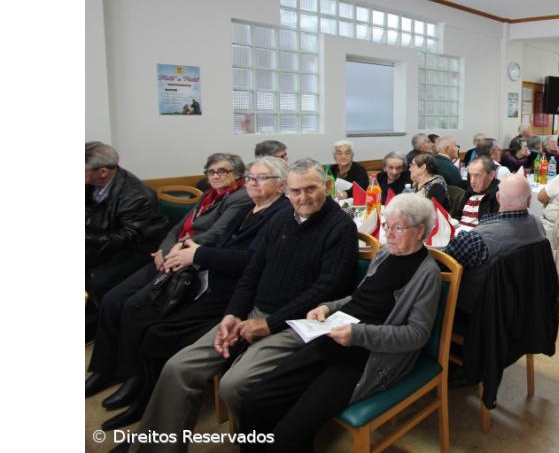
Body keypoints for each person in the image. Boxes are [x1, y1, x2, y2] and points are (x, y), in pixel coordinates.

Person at [133, 159, 358, 451]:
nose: (303, 197)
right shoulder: (280, 218)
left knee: (234, 385)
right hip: (252, 314)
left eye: (311, 189)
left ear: (327, 187)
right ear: (286, 191)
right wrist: (232, 314)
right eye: (295, 191)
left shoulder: (340, 227)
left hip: (296, 323)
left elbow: (326, 289)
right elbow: (252, 273)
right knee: (178, 368)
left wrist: (268, 324)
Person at [93, 157, 292, 430]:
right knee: (142, 318)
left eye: (261, 178)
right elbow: (217, 241)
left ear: (281, 185)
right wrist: (186, 251)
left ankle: (147, 406)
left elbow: (251, 261)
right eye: (250, 177)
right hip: (210, 282)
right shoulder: (249, 207)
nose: (252, 183)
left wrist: (196, 255)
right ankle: (140, 394)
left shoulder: (280, 214)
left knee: (157, 332)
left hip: (233, 295)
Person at [237, 194, 442, 452]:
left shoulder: (428, 274)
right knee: (254, 402)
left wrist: (358, 334)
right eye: (386, 226)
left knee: (288, 436)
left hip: (368, 358)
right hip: (334, 336)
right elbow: (358, 298)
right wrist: (328, 307)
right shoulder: (384, 254)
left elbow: (417, 334)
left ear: (420, 230)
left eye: (398, 228)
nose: (388, 234)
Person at [90, 152, 252, 397]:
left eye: (222, 171)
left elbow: (215, 234)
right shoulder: (209, 195)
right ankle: (103, 369)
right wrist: (165, 250)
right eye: (211, 171)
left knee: (133, 306)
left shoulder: (240, 197)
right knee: (113, 299)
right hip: (171, 255)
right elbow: (177, 227)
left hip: (190, 261)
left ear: (237, 174)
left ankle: (131, 375)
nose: (215, 176)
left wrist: (177, 250)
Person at [86, 142, 170, 344]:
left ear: (103, 172)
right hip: (106, 239)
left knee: (100, 279)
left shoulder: (136, 194)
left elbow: (127, 237)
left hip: (139, 247)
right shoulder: (90, 184)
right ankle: (93, 321)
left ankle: (107, 327)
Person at [444, 174, 545, 271]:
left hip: (482, 283)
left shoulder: (476, 239)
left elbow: (444, 263)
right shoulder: (539, 226)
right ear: (530, 201)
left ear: (498, 198)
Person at [457, 156, 501, 230]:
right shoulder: (469, 192)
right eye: (470, 175)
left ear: (491, 175)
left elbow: (492, 228)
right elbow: (457, 215)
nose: (472, 181)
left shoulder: (498, 196)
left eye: (477, 175)